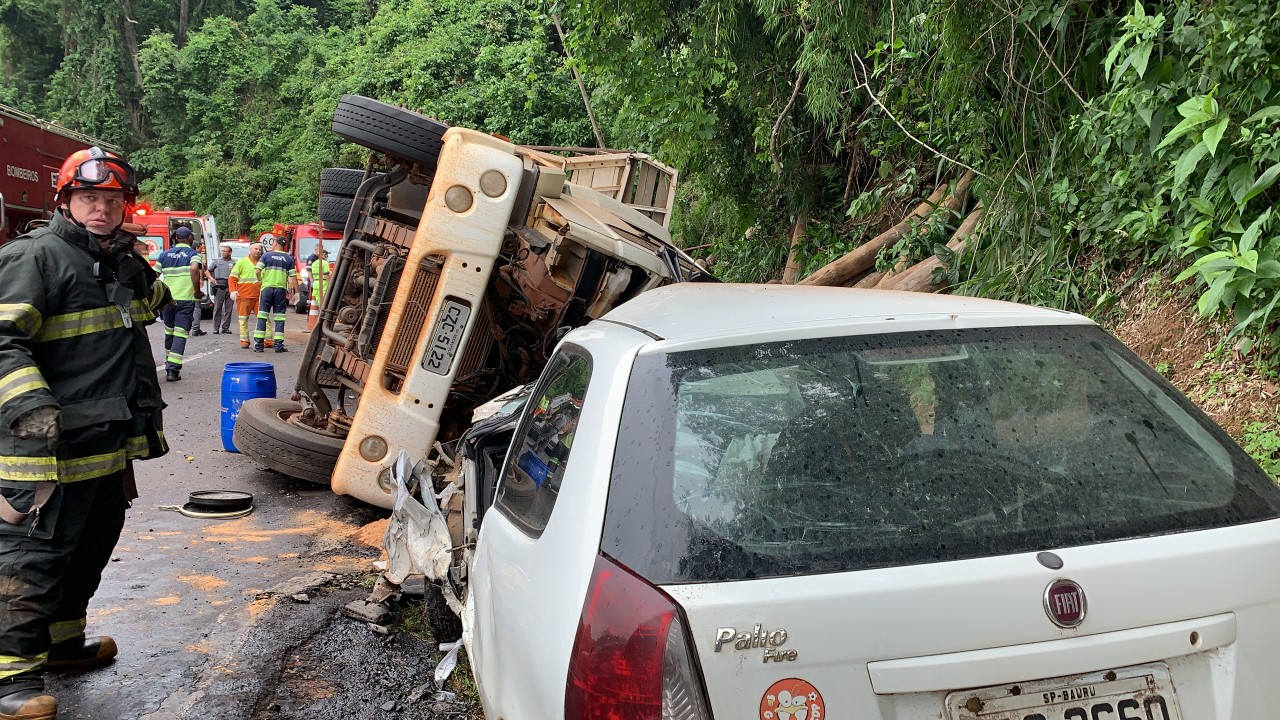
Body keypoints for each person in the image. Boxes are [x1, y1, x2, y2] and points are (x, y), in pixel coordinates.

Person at [0, 146, 168, 719]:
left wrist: (132, 264)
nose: (101, 209)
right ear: (65, 201)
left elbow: (156, 305)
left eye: (112, 200)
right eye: (89, 198)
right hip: (43, 448)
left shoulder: (112, 258)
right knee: (32, 557)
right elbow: (2, 341)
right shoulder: (35, 257)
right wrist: (28, 403)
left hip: (103, 443)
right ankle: (10, 678)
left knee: (90, 546)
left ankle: (62, 644)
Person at [156, 226, 204, 381]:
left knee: (169, 332)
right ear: (190, 238)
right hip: (185, 299)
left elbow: (153, 275)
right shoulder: (193, 254)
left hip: (167, 300)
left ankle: (169, 362)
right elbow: (194, 269)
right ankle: (173, 369)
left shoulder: (164, 255)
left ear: (176, 238)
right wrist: (197, 291)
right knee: (180, 334)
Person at [254, 236, 297, 353]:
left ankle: (259, 346)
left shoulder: (266, 256)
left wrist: (260, 279)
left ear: (276, 244)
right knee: (279, 318)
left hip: (267, 289)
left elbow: (257, 270)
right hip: (280, 290)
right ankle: (278, 346)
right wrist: (297, 292)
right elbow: (293, 277)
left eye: (273, 242)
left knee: (262, 316)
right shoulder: (288, 258)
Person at [228, 243, 264, 349]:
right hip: (244, 295)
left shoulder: (263, 262)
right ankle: (244, 340)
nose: (257, 251)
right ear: (250, 250)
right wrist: (233, 291)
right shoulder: (241, 262)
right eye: (255, 249)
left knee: (263, 319)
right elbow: (232, 278)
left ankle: (267, 340)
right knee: (243, 319)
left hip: (259, 295)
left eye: (259, 249)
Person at [207, 244, 235, 334]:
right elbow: (207, 271)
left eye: (225, 251)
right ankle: (216, 328)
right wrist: (211, 279)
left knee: (229, 309)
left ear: (230, 252)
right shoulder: (217, 261)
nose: (223, 253)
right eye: (222, 251)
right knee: (217, 308)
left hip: (230, 287)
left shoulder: (234, 262)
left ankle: (225, 327)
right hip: (220, 286)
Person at [187, 237, 208, 337]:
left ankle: (185, 328)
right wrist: (201, 280)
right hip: (193, 285)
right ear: (196, 248)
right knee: (196, 308)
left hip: (181, 287)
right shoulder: (195, 256)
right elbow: (199, 269)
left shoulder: (181, 254)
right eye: (200, 248)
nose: (201, 249)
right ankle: (195, 329)